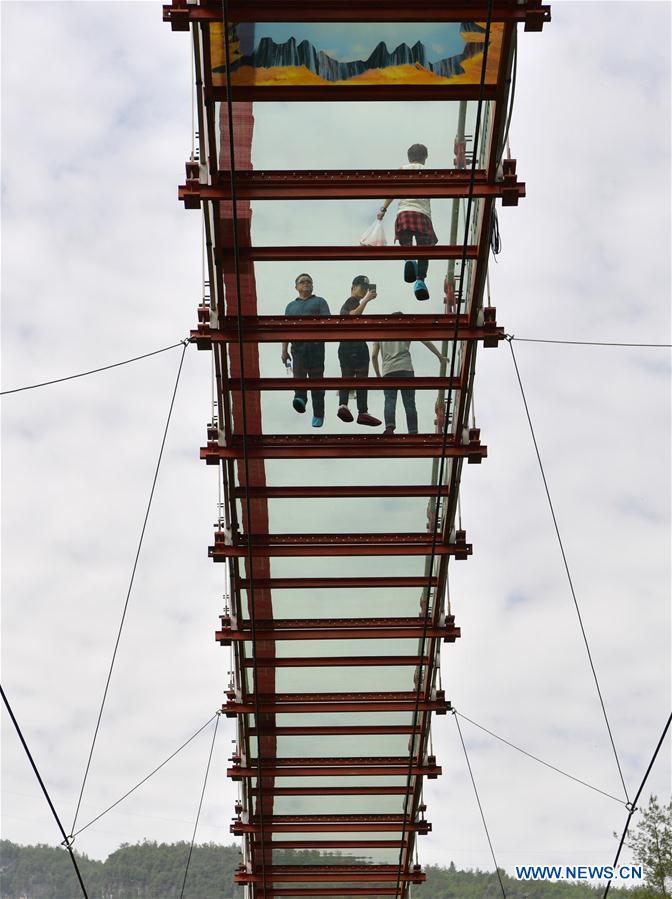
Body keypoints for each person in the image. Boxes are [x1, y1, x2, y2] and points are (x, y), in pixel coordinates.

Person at [376, 143, 438, 302]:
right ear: (425, 157)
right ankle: (420, 281)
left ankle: (409, 259)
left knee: (406, 243)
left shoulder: (402, 170)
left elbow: (392, 191)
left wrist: (383, 209)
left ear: (409, 157)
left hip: (404, 213)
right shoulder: (429, 172)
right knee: (424, 251)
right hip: (423, 215)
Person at [371, 327, 447, 435]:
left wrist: (378, 375)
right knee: (409, 403)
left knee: (390, 401)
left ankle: (389, 428)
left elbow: (374, 356)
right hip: (406, 369)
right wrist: (439, 356)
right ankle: (413, 431)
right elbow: (425, 340)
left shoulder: (380, 333)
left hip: (388, 371)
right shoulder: (405, 329)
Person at [281, 274, 330, 428]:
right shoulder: (290, 306)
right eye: (302, 282)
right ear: (296, 287)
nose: (306, 284)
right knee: (299, 377)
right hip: (298, 349)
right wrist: (284, 350)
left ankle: (318, 414)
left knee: (317, 382)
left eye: (309, 281)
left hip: (315, 348)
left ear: (313, 286)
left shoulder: (319, 301)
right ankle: (300, 399)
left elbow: (327, 322)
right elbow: (285, 330)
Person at [337, 275, 382, 427]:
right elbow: (352, 316)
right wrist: (367, 299)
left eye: (366, 288)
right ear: (353, 287)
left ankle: (353, 408)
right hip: (352, 346)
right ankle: (355, 409)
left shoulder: (355, 302)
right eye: (361, 287)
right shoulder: (352, 301)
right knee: (357, 377)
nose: (364, 290)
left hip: (350, 346)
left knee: (350, 377)